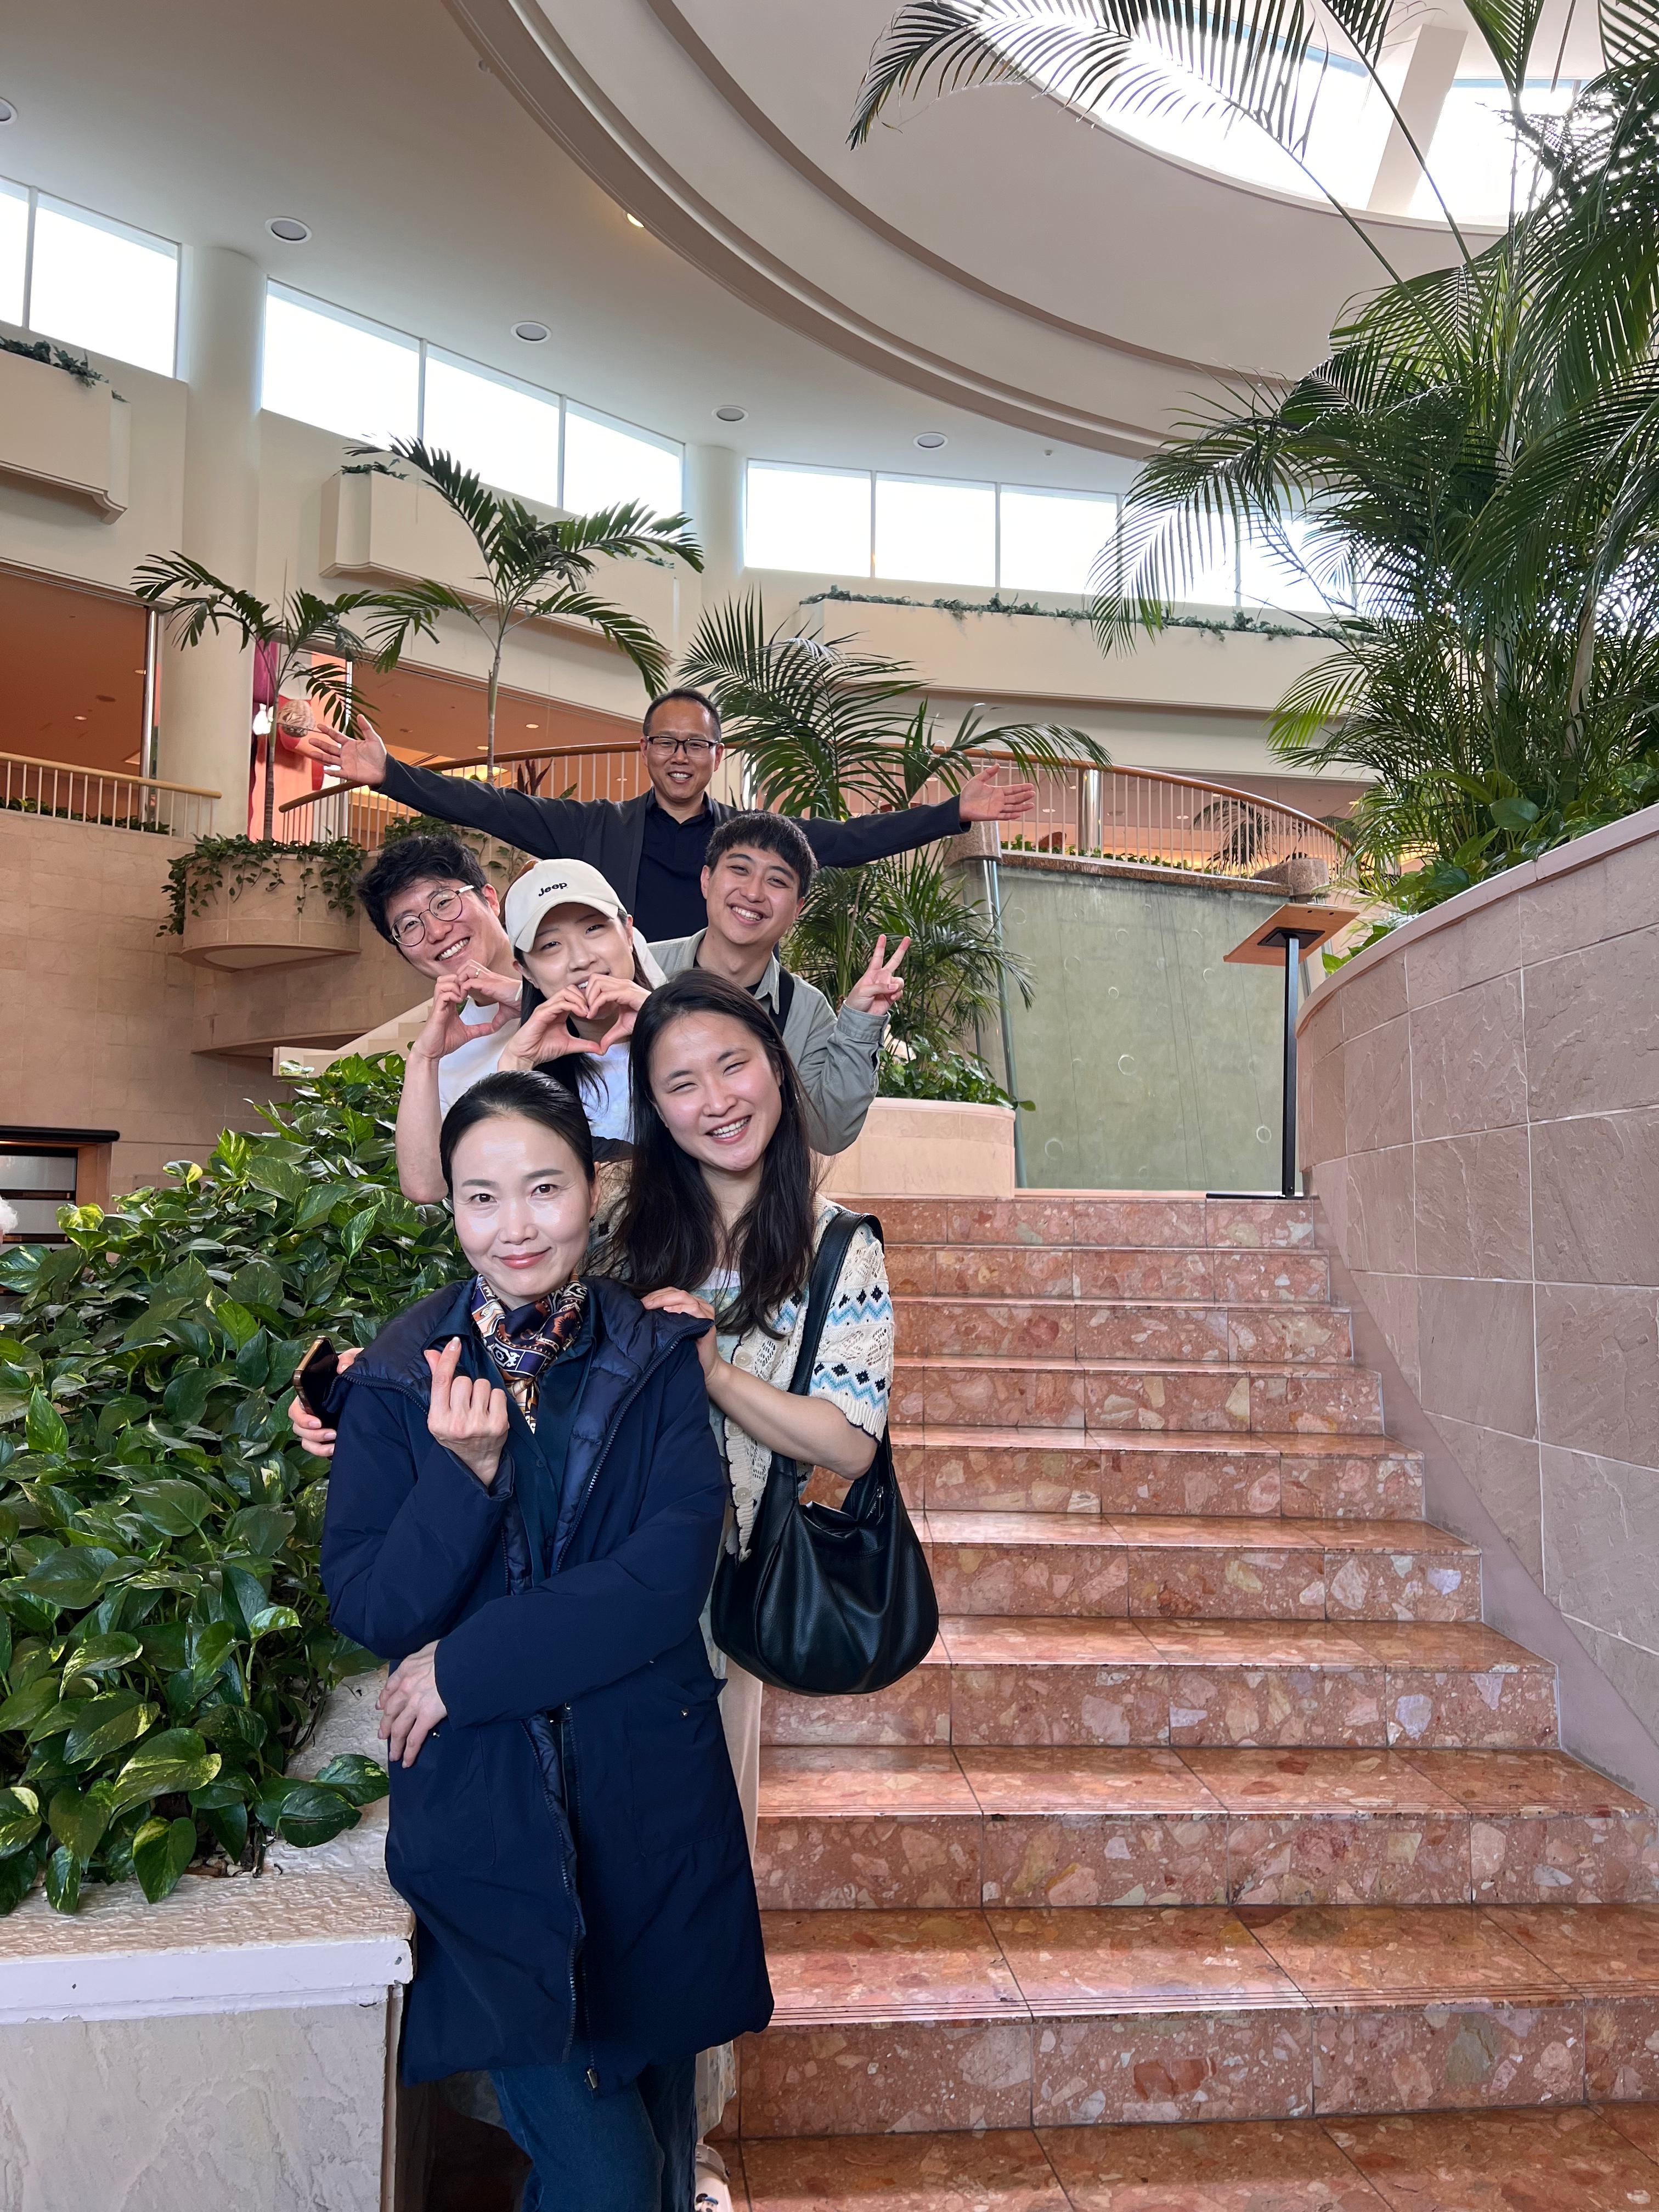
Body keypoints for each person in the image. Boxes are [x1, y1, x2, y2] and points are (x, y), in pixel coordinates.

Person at [320, 1072, 771, 2212]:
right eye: (481, 1197)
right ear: (451, 1207)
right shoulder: (396, 1373)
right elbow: (373, 1606)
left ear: (591, 1189)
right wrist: (461, 1479)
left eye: (543, 1189)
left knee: (658, 2149)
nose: (514, 1226)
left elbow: (663, 1579)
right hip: (491, 1824)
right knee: (607, 2180)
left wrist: (467, 1665)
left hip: (646, 1804)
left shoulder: (653, 1353)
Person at [601, 969, 896, 2207]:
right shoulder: (618, 1232)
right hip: (597, 1600)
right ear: (654, 1108)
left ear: (777, 1067)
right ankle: (608, 2154)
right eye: (680, 1082)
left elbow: (848, 1445)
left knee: (687, 1895)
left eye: (733, 1064)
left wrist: (715, 1370)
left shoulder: (835, 1244)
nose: (715, 1098)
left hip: (713, 1624)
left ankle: (687, 2159)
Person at [297, 686, 1038, 941]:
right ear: (645, 749)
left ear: (718, 753)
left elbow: (846, 839)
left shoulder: (749, 838)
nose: (680, 756)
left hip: (721, 1004)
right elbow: (491, 805)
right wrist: (391, 775)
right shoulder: (594, 829)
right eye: (666, 742)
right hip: (628, 1012)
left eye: (696, 744)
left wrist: (951, 813)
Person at [396, 858, 664, 1203]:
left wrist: (667, 1022)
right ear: (526, 971)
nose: (581, 959)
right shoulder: (535, 1068)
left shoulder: (694, 1020)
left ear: (628, 933)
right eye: (550, 945)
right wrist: (514, 1065)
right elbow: (487, 1188)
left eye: (594, 928)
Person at [652, 811, 907, 1156]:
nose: (753, 893)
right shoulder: (641, 968)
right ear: (706, 880)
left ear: (798, 908)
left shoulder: (806, 1010)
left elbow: (828, 1133)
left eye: (777, 881)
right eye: (740, 869)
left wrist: (861, 1023)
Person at [358, 836, 522, 1115]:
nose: (436, 932)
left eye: (444, 902)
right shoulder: (446, 1057)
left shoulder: (581, 976)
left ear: (490, 900)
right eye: (410, 925)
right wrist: (423, 1059)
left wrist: (529, 998)